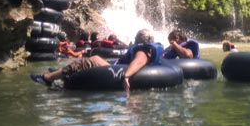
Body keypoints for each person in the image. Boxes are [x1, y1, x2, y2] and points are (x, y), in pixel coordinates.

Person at [31, 28, 163, 92]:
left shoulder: (143, 49)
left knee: (90, 60)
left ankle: (48, 78)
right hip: (117, 67)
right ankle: (60, 74)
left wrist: (127, 76)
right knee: (90, 61)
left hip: (119, 72)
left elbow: (140, 60)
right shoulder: (150, 48)